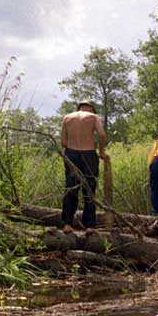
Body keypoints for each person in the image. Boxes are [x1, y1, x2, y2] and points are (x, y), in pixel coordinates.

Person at [60, 100, 107, 233]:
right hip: (89, 155)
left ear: (79, 108)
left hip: (71, 154)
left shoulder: (67, 117)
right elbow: (102, 135)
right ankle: (90, 226)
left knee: (71, 189)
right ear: (91, 109)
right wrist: (102, 152)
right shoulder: (93, 117)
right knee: (89, 190)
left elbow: (63, 142)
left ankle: (67, 224)